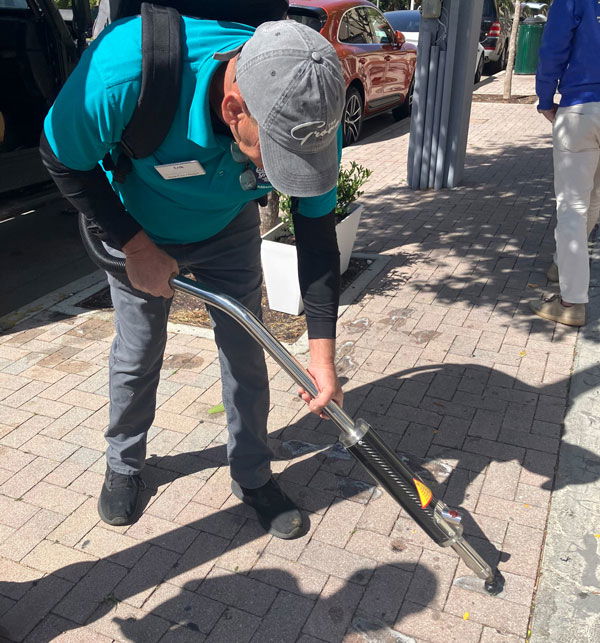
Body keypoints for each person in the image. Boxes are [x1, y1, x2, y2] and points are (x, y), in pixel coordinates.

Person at [40, 15, 346, 539]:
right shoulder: (124, 72)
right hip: (140, 229)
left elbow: (317, 240)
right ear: (233, 108)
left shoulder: (308, 114)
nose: (280, 172)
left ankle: (251, 473)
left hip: (228, 228)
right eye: (270, 156)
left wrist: (323, 359)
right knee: (137, 353)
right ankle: (124, 463)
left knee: (248, 352)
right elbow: (60, 158)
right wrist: (136, 246)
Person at [531, 0, 600, 327]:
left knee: (573, 207)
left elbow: (553, 48)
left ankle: (571, 302)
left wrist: (545, 100)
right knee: (595, 200)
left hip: (582, 109)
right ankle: (562, 263)